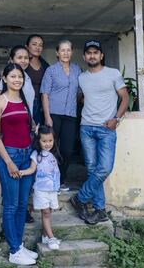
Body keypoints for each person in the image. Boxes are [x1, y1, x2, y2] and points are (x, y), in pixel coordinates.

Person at [70, 40, 129, 225]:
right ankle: (100, 210)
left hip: (106, 128)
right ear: (84, 56)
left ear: (101, 55)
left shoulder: (113, 73)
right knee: (92, 170)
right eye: (89, 53)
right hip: (86, 127)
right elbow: (81, 97)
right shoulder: (82, 77)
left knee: (104, 168)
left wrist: (116, 119)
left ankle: (79, 199)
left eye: (96, 52)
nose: (92, 55)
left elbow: (125, 97)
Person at [0, 63, 38, 265]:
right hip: (10, 156)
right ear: (5, 78)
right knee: (10, 206)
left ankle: (19, 245)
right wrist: (9, 162)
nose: (17, 80)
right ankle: (14, 250)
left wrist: (34, 130)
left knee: (20, 205)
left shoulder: (24, 101)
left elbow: (27, 127)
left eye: (20, 77)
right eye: (13, 76)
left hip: (26, 156)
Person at [40, 39, 82, 192]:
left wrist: (74, 103)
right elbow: (45, 94)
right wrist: (47, 116)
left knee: (67, 149)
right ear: (57, 53)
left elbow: (80, 93)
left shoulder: (78, 70)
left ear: (72, 52)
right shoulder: (51, 70)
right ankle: (49, 180)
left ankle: (61, 180)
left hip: (70, 115)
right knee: (50, 148)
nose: (65, 53)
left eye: (68, 50)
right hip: (54, 114)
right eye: (62, 50)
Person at [19, 125, 62, 250]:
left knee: (49, 212)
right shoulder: (36, 155)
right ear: (38, 141)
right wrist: (22, 172)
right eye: (44, 141)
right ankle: (51, 237)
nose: (48, 144)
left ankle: (45, 236)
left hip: (52, 190)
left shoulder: (53, 154)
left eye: (50, 141)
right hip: (41, 190)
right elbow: (32, 169)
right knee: (46, 213)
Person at [0, 45, 35, 116]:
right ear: (11, 60)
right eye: (19, 57)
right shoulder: (9, 78)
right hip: (13, 120)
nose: (23, 61)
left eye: (26, 58)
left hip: (26, 120)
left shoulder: (27, 77)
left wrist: (31, 120)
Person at [25, 34, 49, 125]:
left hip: (41, 105)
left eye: (40, 45)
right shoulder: (22, 63)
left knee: (39, 134)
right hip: (25, 103)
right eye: (34, 44)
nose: (37, 47)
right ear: (27, 46)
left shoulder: (45, 65)